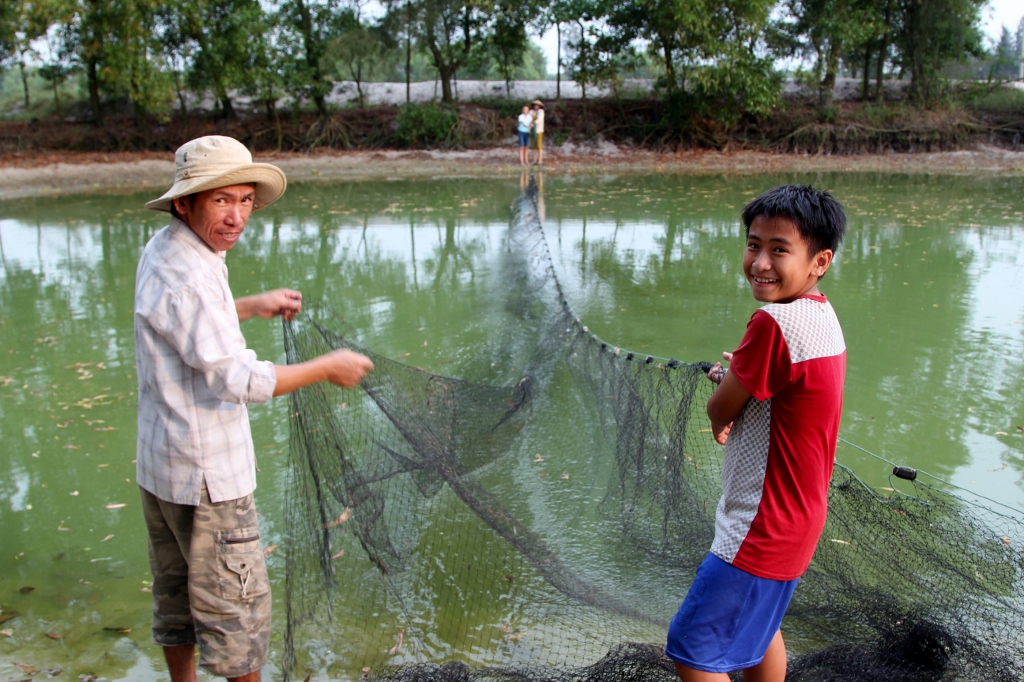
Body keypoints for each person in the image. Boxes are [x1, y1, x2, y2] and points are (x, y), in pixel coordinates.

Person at [134, 135, 374, 682]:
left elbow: (183, 324)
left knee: (176, 602)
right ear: (184, 202)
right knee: (237, 624)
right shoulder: (195, 273)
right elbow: (234, 378)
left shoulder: (166, 248)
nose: (237, 216)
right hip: (208, 478)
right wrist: (325, 367)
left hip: (159, 468)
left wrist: (247, 306)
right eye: (221, 201)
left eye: (245, 200)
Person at [666, 185, 847, 682]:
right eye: (753, 244)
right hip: (799, 517)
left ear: (819, 261)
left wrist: (719, 413)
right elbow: (781, 386)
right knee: (759, 628)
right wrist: (741, 377)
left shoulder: (773, 321)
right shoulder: (821, 314)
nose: (760, 262)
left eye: (780, 249)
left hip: (760, 524)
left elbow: (722, 407)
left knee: (691, 649)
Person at [530, 100, 545, 165]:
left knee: (539, 145)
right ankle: (534, 160)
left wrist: (533, 123)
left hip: (539, 130)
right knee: (534, 145)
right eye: (535, 105)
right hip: (533, 131)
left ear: (539, 106)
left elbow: (539, 120)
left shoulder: (541, 112)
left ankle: (540, 160)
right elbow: (529, 118)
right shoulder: (531, 112)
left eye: (537, 105)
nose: (536, 106)